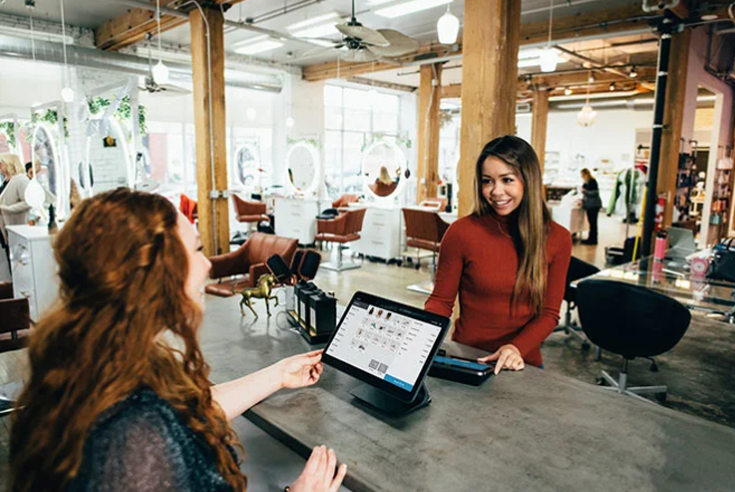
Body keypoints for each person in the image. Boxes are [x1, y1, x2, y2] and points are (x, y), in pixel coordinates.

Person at [10, 188, 346, 492]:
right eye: (197, 250)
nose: (206, 266)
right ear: (156, 273)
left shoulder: (96, 360)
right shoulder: (135, 441)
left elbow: (188, 411)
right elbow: (160, 426)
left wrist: (278, 375)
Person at [425, 136, 572, 372]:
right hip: (467, 358)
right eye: (487, 181)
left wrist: (515, 347)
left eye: (507, 180)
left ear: (528, 180)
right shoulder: (461, 233)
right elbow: (441, 302)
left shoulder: (558, 238)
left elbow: (549, 314)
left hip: (522, 363)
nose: (496, 191)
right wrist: (421, 335)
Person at [0, 153, 31, 254]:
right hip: (6, 229)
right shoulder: (6, 181)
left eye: (1, 163)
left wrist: (5, 209)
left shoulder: (20, 180)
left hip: (17, 229)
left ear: (10, 164)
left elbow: (28, 203)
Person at [580, 168, 602, 245]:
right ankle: (591, 238)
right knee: (591, 223)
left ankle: (593, 239)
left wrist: (585, 191)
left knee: (593, 223)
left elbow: (594, 193)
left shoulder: (592, 182)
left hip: (593, 205)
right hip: (590, 205)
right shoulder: (586, 182)